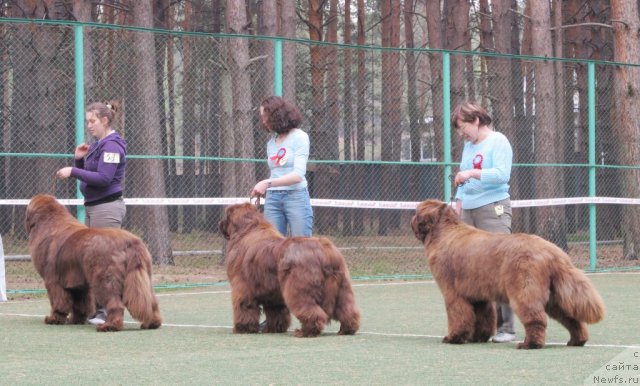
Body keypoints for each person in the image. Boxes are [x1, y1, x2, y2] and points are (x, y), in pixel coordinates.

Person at [56, 101, 127, 325]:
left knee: (105, 264)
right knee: (93, 262)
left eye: (92, 121)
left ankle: (108, 311)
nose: (89, 125)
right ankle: (96, 310)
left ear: (104, 121)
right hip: (93, 208)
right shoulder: (99, 145)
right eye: (87, 121)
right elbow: (90, 179)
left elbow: (104, 179)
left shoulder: (113, 146)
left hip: (107, 209)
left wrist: (74, 170)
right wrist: (79, 159)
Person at [451, 101, 515, 343]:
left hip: (493, 209)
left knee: (499, 266)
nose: (461, 133)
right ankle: (479, 327)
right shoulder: (468, 146)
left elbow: (501, 174)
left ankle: (506, 327)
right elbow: (462, 180)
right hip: (467, 211)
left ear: (476, 120)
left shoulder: (499, 141)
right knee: (470, 270)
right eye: (458, 129)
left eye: (463, 127)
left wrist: (472, 173)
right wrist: (458, 207)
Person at [250, 95, 313, 237]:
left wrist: (267, 183)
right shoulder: (271, 143)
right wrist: (267, 187)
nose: (263, 121)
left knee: (301, 247)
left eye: (265, 116)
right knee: (272, 249)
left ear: (276, 114)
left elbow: (297, 175)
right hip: (272, 199)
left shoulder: (300, 137)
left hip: (296, 196)